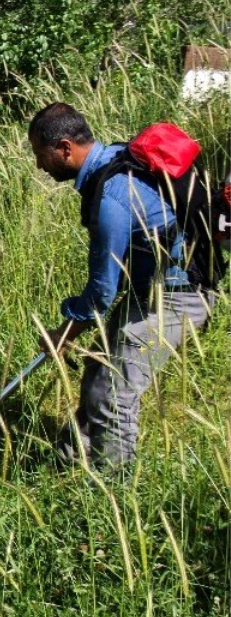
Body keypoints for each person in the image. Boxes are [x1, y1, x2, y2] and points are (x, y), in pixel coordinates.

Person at [28, 102, 217, 468]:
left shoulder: (112, 196)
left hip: (179, 296)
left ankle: (111, 493)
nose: (39, 165)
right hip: (151, 290)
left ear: (65, 148)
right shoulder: (116, 156)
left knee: (114, 392)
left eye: (41, 154)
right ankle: (65, 464)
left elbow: (101, 292)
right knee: (100, 368)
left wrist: (64, 332)